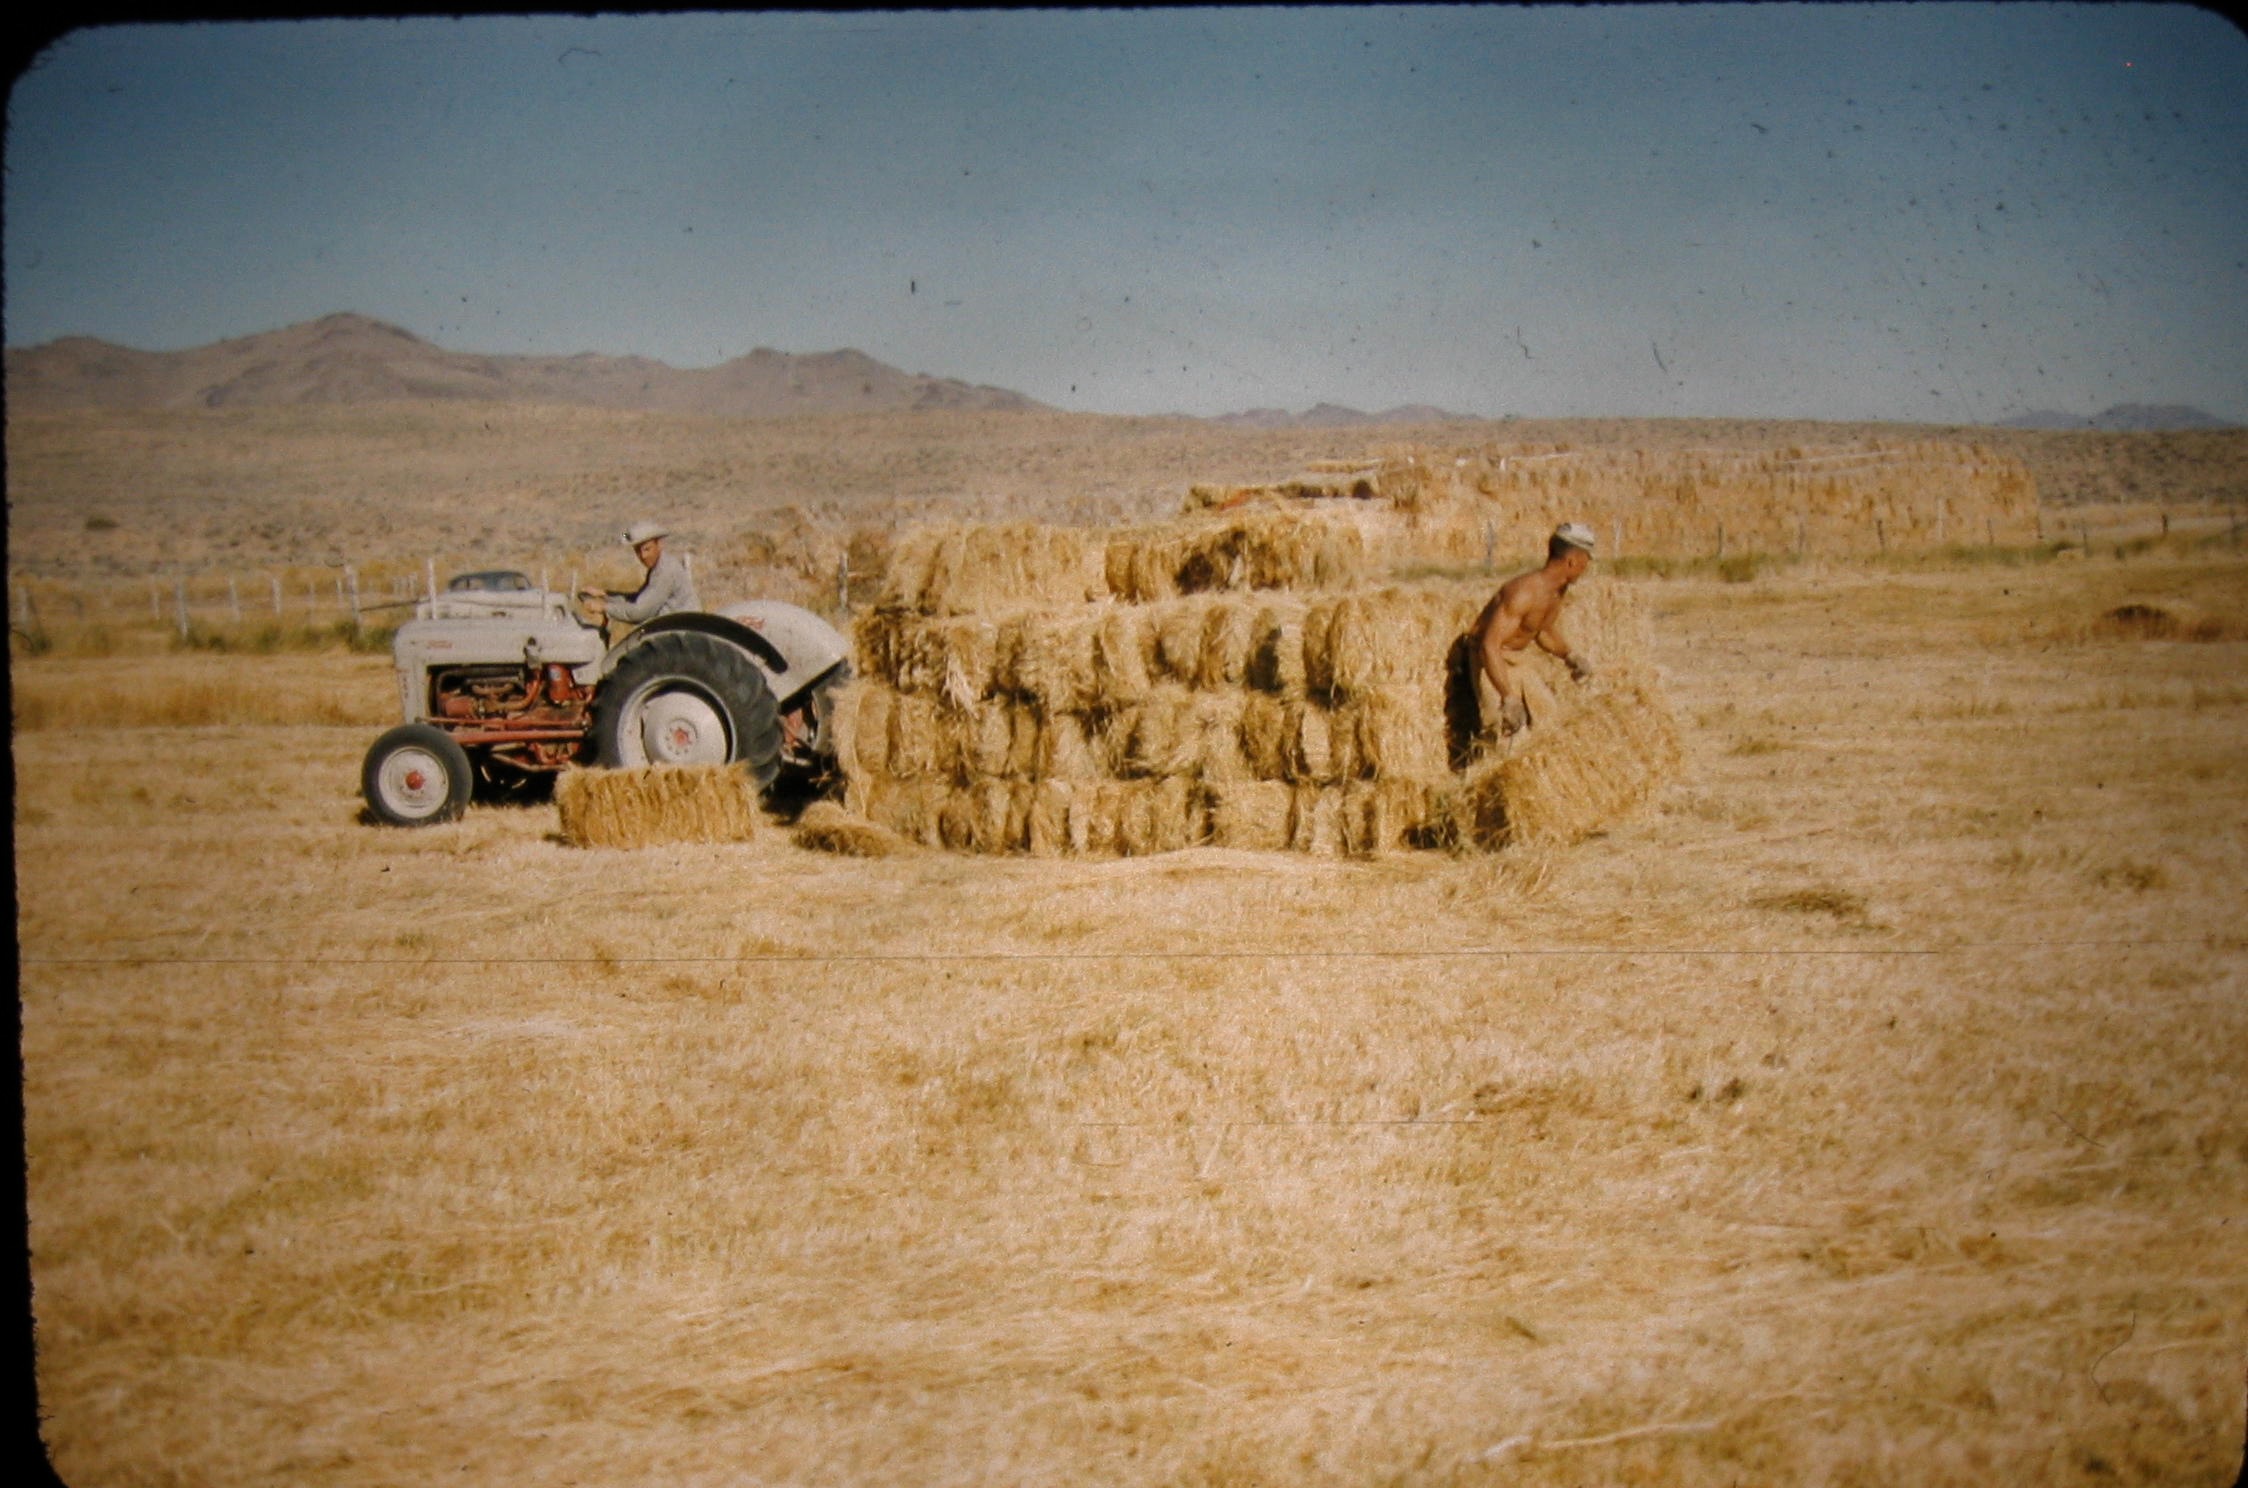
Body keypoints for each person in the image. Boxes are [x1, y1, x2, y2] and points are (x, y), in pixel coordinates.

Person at [1463, 521, 1598, 737]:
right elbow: (1490, 645)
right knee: (1506, 729)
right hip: (1489, 660)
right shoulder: (1524, 592)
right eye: (1586, 561)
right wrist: (1508, 697)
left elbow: (1541, 631)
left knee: (1550, 720)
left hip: (1517, 659)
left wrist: (1570, 656)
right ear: (1572, 561)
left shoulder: (1556, 592)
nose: (1586, 568)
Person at [582, 520, 699, 631]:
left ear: (659, 544)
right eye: (638, 551)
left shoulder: (666, 571)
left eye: (647, 549)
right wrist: (604, 594)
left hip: (684, 631)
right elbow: (639, 599)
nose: (643, 556)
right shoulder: (658, 567)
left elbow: (640, 612)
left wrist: (604, 607)